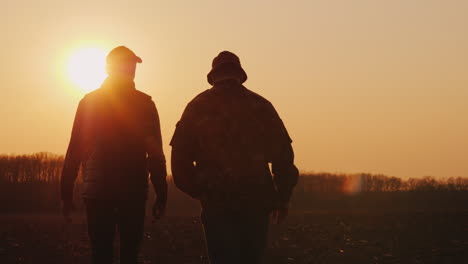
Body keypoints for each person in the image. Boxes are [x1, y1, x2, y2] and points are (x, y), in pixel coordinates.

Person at [170, 51, 299, 264]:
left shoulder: (197, 106)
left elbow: (179, 161)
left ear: (213, 77)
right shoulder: (262, 106)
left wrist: (202, 190)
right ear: (239, 75)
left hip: (216, 203)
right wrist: (283, 197)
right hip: (256, 202)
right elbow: (284, 158)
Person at [61, 46, 167, 264]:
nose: (132, 69)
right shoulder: (145, 105)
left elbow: (75, 149)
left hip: (98, 190)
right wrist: (162, 193)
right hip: (133, 191)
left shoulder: (89, 102)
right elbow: (155, 155)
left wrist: (66, 191)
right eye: (130, 65)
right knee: (129, 255)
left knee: (101, 254)